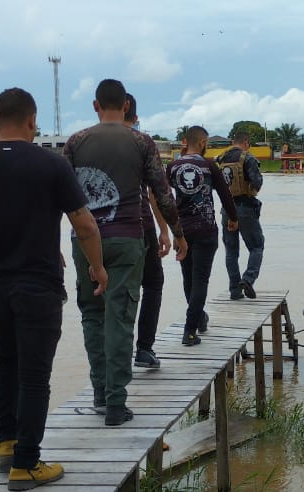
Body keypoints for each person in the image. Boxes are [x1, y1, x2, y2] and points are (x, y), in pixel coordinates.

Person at [0, 87, 106, 491]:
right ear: (33, 122)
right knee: (34, 374)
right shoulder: (52, 165)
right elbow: (84, 224)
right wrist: (98, 268)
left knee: (5, 360)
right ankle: (27, 464)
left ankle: (7, 444)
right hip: (38, 285)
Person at [63, 79, 187, 427]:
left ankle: (100, 393)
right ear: (127, 107)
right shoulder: (141, 142)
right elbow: (162, 195)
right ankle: (117, 404)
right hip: (128, 240)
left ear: (95, 105)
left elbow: (57, 195)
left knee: (92, 313)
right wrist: (177, 233)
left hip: (85, 241)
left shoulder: (76, 142)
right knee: (120, 317)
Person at [169, 126, 239, 345]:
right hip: (206, 229)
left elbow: (163, 197)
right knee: (200, 280)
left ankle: (199, 319)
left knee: (188, 278)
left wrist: (171, 228)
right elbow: (225, 195)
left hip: (182, 231)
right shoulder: (209, 166)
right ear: (202, 143)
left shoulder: (172, 167)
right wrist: (233, 218)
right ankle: (189, 332)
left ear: (184, 142)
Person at [123, 94, 170, 370]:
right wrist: (167, 231)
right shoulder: (142, 144)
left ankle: (113, 358)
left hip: (97, 230)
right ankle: (143, 348)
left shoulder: (85, 143)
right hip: (139, 225)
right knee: (152, 283)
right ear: (135, 117)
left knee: (112, 292)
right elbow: (156, 192)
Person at [217, 130, 264, 300]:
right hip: (246, 209)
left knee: (231, 251)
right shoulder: (248, 158)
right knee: (257, 246)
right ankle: (248, 279)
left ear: (232, 141)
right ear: (246, 142)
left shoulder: (220, 159)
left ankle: (234, 291)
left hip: (226, 210)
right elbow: (257, 183)